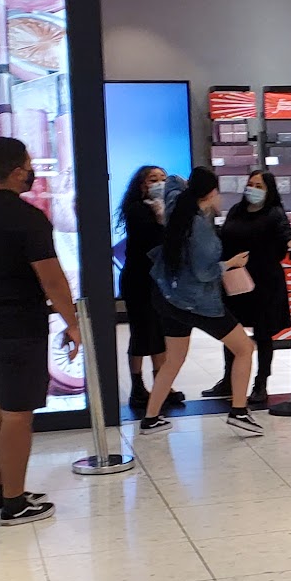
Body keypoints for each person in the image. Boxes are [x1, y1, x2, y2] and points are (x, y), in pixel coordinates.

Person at [0, 135, 80, 525]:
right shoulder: (28, 218)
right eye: (29, 165)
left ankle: (1, 492)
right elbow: (52, 280)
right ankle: (14, 503)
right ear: (19, 170)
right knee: (18, 415)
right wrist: (73, 324)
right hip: (19, 323)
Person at [141, 167, 262, 437]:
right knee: (244, 348)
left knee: (174, 359)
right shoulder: (200, 230)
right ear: (210, 194)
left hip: (169, 297)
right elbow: (205, 272)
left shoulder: (176, 206)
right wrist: (231, 263)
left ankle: (151, 418)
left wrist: (187, 185)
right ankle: (239, 411)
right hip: (198, 303)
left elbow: (172, 182)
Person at [202, 171, 291, 409]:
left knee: (263, 334)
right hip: (235, 279)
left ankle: (261, 383)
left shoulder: (274, 213)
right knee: (231, 331)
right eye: (250, 184)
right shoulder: (237, 211)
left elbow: (286, 233)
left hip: (265, 282)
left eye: (259, 186)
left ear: (269, 190)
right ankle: (228, 379)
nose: (253, 189)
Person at [117, 165, 185, 414]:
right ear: (142, 185)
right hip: (138, 280)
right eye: (152, 179)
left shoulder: (169, 209)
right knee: (141, 332)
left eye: (163, 179)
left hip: (160, 281)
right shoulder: (137, 210)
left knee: (160, 332)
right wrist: (161, 217)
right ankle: (137, 387)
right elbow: (151, 239)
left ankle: (161, 384)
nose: (159, 183)